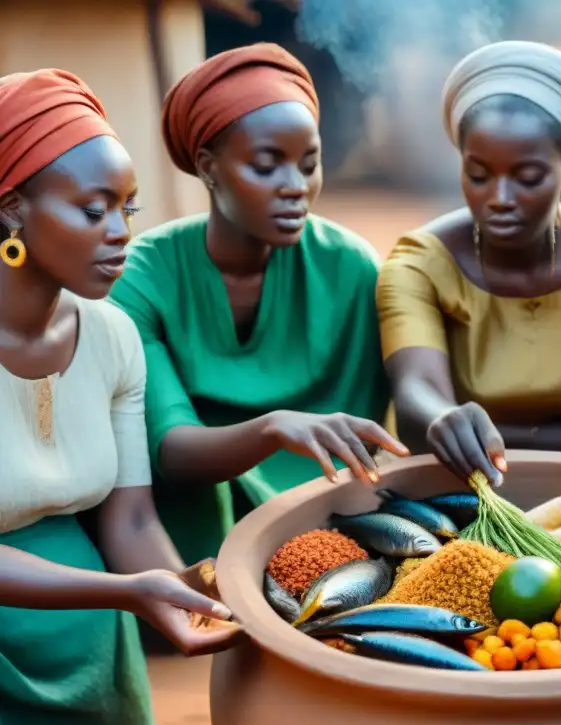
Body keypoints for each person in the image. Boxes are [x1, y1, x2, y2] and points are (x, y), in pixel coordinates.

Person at [0, 68, 240, 725]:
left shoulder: (112, 337)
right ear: (13, 209)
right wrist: (129, 592)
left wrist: (209, 602)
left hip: (96, 653)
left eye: (127, 211)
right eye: (93, 209)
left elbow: (130, 521)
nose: (119, 234)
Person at [109, 43, 407, 566]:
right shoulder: (143, 279)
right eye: (267, 165)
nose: (296, 187)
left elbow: (374, 434)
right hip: (190, 526)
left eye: (309, 164)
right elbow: (171, 451)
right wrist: (273, 428)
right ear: (209, 168)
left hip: (330, 518)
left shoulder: (351, 268)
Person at [376, 40, 561, 487]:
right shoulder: (419, 263)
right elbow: (416, 408)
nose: (499, 199)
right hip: (460, 491)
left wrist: (473, 434)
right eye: (478, 175)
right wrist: (439, 418)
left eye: (527, 178)